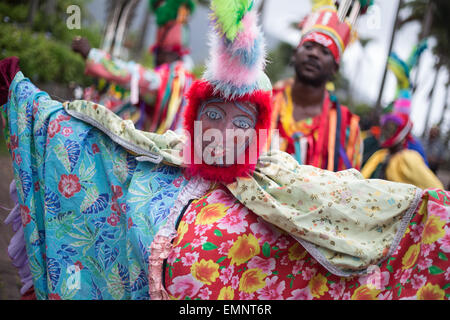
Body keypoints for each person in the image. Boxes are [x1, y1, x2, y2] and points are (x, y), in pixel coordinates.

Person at [1, 0, 449, 301]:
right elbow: (109, 140)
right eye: (212, 114)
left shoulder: (327, 139)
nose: (223, 130)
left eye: (240, 120)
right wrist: (32, 105)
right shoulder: (168, 157)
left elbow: (346, 194)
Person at [270, 0, 371, 171]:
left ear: (335, 67)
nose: (314, 54)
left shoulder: (347, 127)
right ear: (295, 54)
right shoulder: (265, 102)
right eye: (309, 46)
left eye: (325, 51)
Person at [71, 0, 196, 133]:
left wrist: (91, 54)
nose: (156, 58)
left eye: (158, 52)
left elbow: (133, 75)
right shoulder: (186, 78)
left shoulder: (173, 77)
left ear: (169, 53)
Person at [361, 111, 444, 189]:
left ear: (402, 133)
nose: (386, 133)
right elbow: (363, 178)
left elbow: (436, 188)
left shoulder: (409, 158)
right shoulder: (380, 155)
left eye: (391, 129)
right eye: (385, 128)